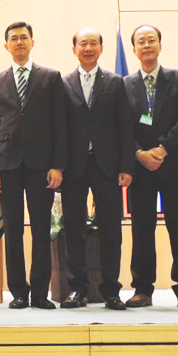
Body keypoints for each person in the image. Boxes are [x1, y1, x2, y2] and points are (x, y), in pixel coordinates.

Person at [0, 22, 67, 310]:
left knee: (41, 229)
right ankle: (19, 291)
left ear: (32, 42)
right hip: (7, 165)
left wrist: (58, 165)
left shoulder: (51, 77)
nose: (19, 42)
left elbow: (60, 125)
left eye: (23, 38)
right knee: (13, 229)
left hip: (41, 165)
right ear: (6, 45)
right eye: (13, 39)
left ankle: (40, 293)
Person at [122, 25, 178, 309]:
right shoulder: (125, 84)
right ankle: (142, 288)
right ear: (134, 49)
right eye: (140, 42)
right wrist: (139, 153)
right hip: (140, 168)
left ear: (159, 45)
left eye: (151, 40)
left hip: (173, 164)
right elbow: (121, 126)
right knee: (142, 229)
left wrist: (163, 148)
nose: (146, 45)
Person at [59, 29, 133, 311]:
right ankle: (77, 289)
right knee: (73, 228)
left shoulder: (115, 82)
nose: (88, 48)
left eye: (93, 43)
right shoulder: (63, 83)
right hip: (73, 167)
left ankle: (111, 290)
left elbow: (125, 126)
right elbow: (59, 127)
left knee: (112, 230)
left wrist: (126, 166)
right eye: (82, 43)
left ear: (101, 48)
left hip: (108, 167)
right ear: (74, 48)